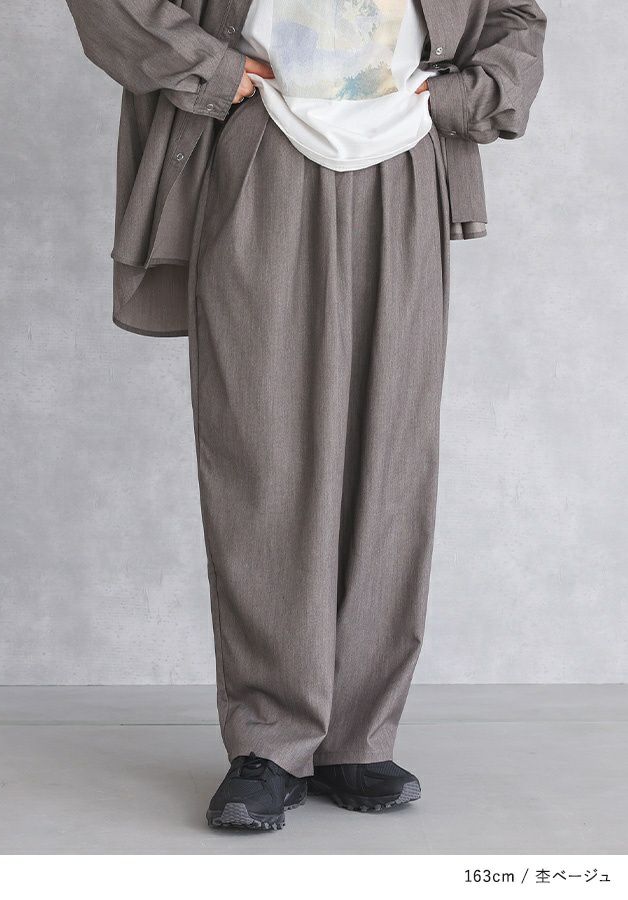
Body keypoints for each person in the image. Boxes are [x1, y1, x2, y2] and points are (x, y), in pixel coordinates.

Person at [65, 0, 546, 831]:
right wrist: (214, 69)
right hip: (264, 147)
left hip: (405, 160)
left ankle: (359, 737)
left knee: (390, 454)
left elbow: (514, 15)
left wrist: (460, 97)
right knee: (264, 448)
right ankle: (270, 741)